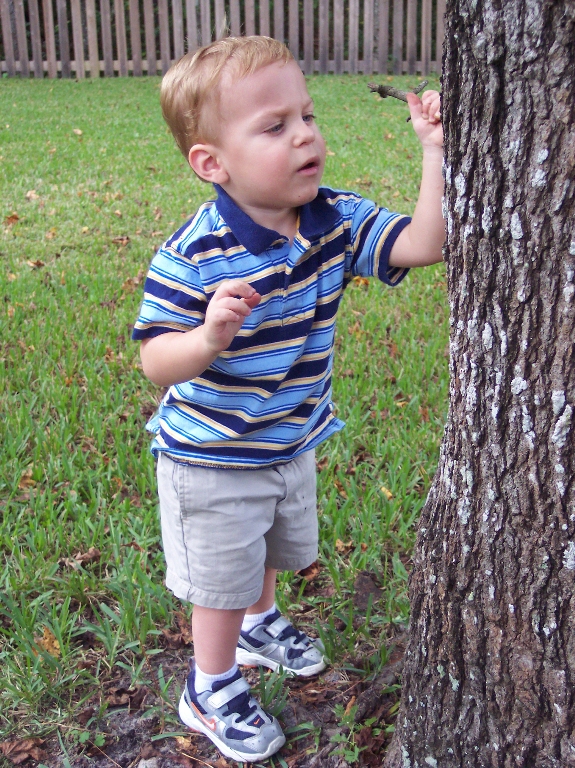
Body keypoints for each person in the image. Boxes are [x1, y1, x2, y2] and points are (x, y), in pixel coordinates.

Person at [132, 35, 444, 763]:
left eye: (306, 116)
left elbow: (425, 244)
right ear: (212, 163)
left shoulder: (336, 219)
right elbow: (155, 360)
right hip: (212, 456)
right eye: (274, 127)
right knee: (222, 581)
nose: (305, 135)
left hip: (290, 436)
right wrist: (207, 337)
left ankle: (260, 622)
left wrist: (433, 151)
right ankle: (209, 685)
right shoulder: (195, 253)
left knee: (272, 548)